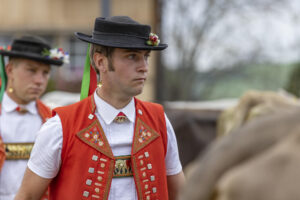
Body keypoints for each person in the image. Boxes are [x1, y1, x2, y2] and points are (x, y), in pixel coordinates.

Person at [15, 16, 185, 200]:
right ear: (101, 62)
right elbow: (27, 197)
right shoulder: (59, 128)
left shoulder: (159, 121)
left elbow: (182, 194)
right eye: (132, 56)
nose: (144, 67)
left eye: (146, 57)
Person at [0, 35, 67, 200]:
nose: (39, 80)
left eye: (45, 73)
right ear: (10, 70)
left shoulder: (55, 121)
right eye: (31, 70)